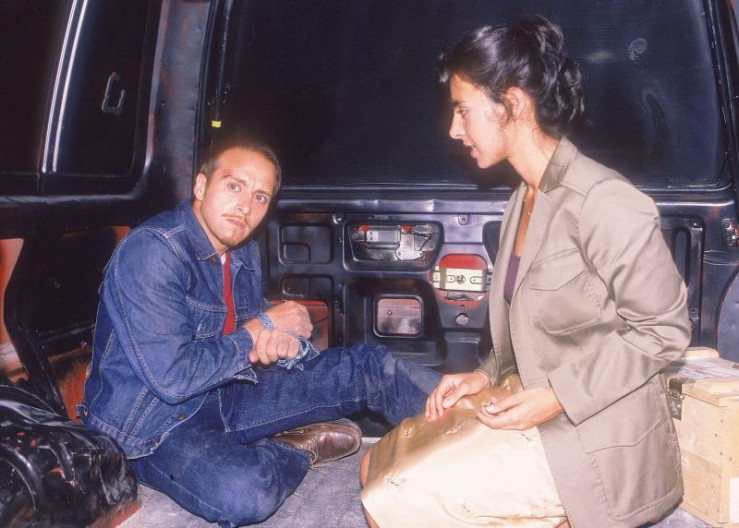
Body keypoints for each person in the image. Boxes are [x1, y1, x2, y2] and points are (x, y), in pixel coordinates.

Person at [360, 15, 690, 528]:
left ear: (511, 103)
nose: (454, 130)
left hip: (593, 431)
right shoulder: (523, 197)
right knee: (374, 464)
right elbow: (532, 332)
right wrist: (481, 375)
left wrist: (556, 397)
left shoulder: (604, 201)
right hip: (528, 398)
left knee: (391, 500)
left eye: (463, 110)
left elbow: (664, 331)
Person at [77, 138, 441, 526]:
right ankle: (295, 446)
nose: (245, 207)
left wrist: (286, 341)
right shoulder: (154, 251)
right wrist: (261, 329)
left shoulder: (243, 250)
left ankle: (471, 425)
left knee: (368, 368)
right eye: (234, 186)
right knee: (247, 492)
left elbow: (250, 334)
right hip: (152, 426)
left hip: (228, 389)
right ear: (201, 186)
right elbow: (173, 378)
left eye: (260, 197)